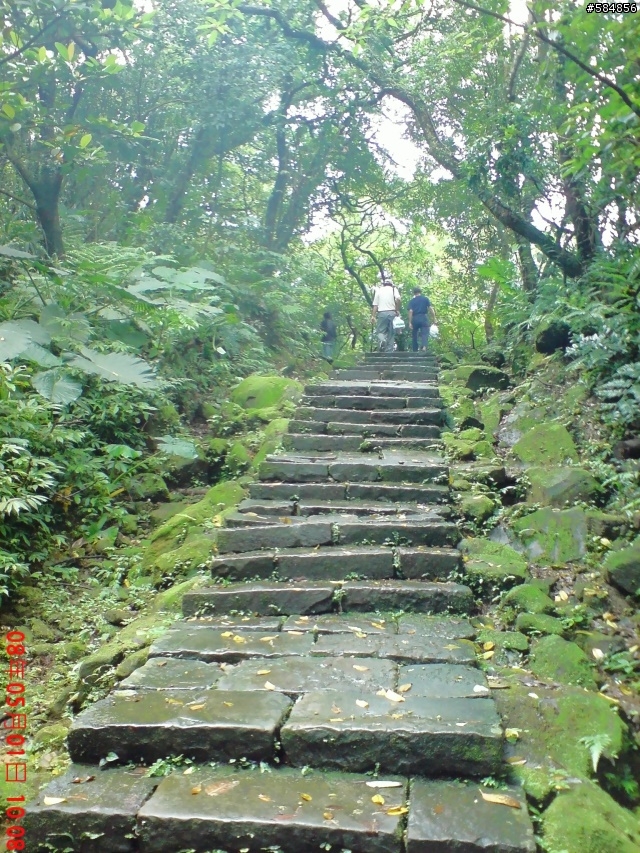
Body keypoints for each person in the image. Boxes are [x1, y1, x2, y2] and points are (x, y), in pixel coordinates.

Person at [371, 276, 401, 352]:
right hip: (392, 313)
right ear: (391, 284)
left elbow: (375, 305)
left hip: (381, 313)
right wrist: (397, 309)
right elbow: (398, 299)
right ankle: (389, 352)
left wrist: (373, 316)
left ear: (384, 284)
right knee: (391, 332)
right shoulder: (394, 289)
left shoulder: (379, 290)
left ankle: (382, 342)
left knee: (381, 331)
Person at [408, 286, 436, 352]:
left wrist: (410, 322)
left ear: (413, 293)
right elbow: (430, 309)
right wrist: (434, 318)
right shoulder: (425, 299)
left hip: (415, 318)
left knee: (415, 334)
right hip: (423, 317)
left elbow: (410, 311)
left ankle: (415, 350)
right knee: (425, 333)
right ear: (420, 292)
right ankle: (424, 347)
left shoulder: (412, 301)